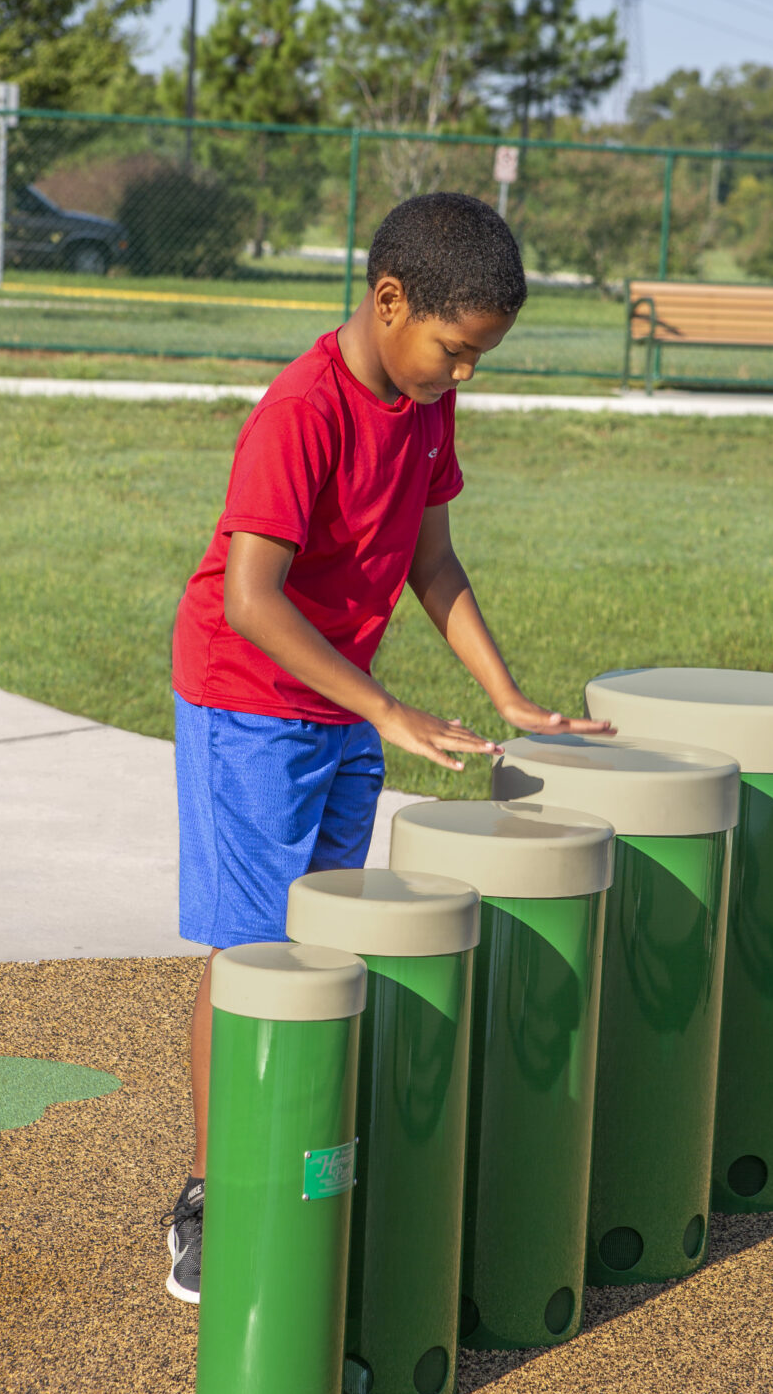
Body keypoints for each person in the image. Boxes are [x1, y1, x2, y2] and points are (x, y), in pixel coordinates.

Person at [162, 190, 613, 1302]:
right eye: (457, 352)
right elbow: (257, 599)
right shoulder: (301, 412)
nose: (464, 377)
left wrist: (508, 694)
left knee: (317, 945)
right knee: (249, 954)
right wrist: (384, 708)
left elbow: (432, 560)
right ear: (390, 300)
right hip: (250, 704)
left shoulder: (424, 405)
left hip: (339, 705)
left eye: (480, 360)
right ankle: (215, 1194)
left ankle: (298, 1159)